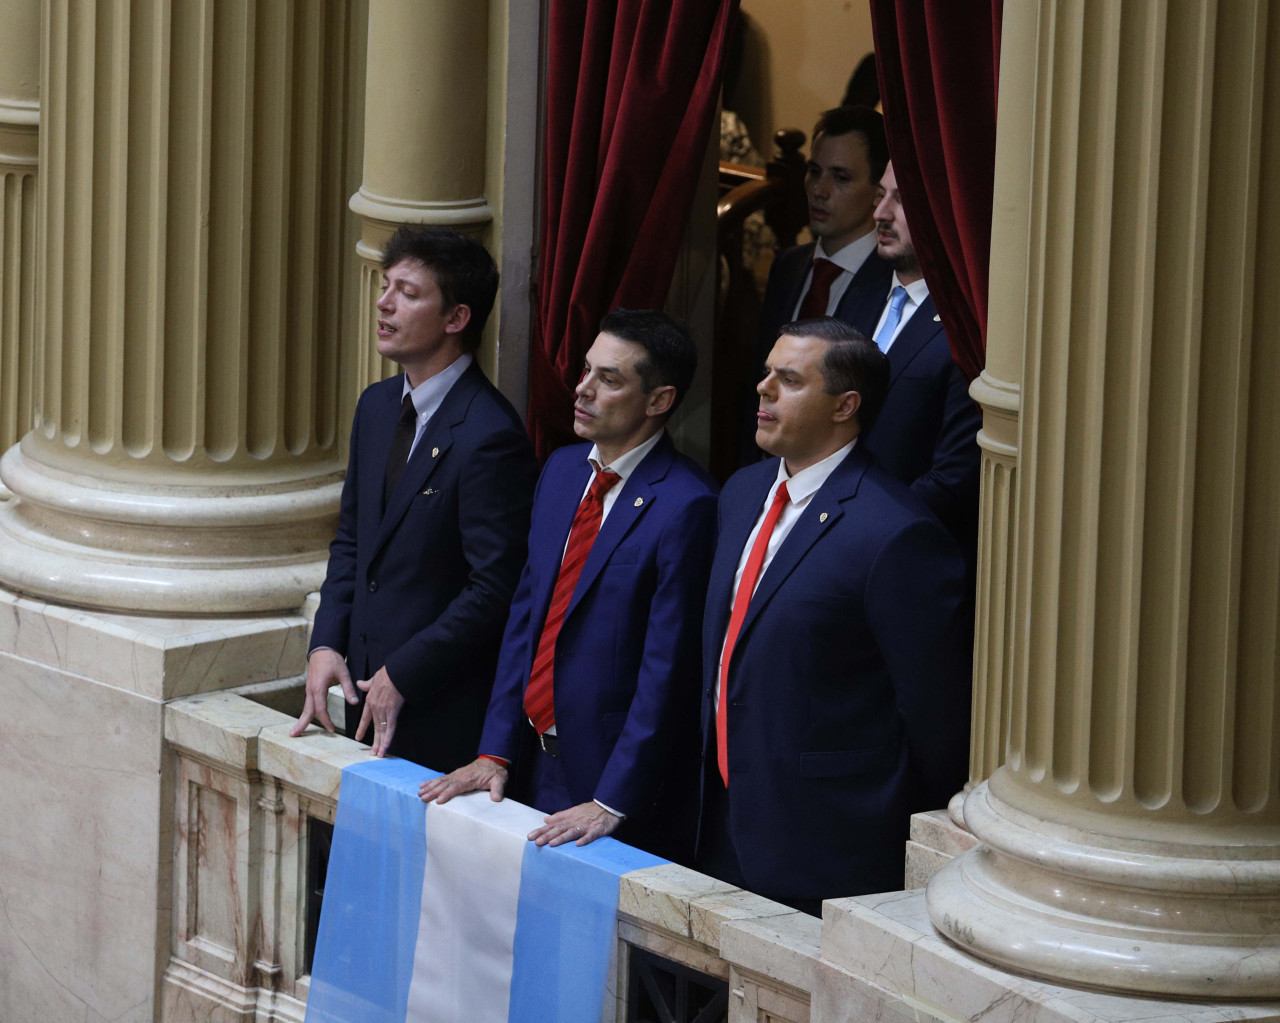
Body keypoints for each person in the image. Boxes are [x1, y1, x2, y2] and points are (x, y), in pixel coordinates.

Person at [421, 310, 717, 860]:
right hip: (526, 757)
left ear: (659, 400)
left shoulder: (688, 504)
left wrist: (612, 800)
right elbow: (527, 618)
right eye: (585, 370)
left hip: (607, 781)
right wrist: (495, 751)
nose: (582, 389)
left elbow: (668, 669)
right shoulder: (560, 469)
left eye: (609, 379)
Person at [699, 317, 971, 913]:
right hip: (717, 818)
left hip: (826, 844)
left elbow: (933, 718)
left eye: (789, 380)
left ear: (845, 405)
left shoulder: (896, 533)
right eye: (767, 372)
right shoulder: (742, 492)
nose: (763, 389)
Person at [291, 226, 537, 772]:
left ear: (456, 319)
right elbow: (352, 539)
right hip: (358, 697)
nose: (383, 302)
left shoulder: (490, 434)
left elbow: (493, 588)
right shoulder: (376, 406)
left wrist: (404, 671)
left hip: (436, 710)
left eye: (408, 291)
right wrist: (326, 641)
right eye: (385, 285)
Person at [747, 106, 892, 463]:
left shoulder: (893, 282)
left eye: (841, 178)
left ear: (877, 191)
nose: (819, 190)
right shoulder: (789, 266)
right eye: (814, 172)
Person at [861, 161, 981, 559]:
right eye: (881, 195)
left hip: (903, 553)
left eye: (902, 199)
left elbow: (954, 477)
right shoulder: (861, 291)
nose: (880, 213)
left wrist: (857, 530)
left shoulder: (968, 323)